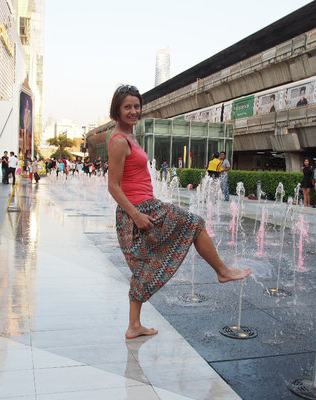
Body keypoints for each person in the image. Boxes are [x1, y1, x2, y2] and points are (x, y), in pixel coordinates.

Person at [107, 84, 250, 339]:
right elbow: (113, 187)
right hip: (137, 211)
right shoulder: (118, 141)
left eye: (136, 106)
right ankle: (222, 271)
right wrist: (137, 215)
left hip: (145, 207)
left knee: (143, 265)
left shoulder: (130, 136)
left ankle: (134, 325)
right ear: (116, 110)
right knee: (194, 223)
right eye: (127, 107)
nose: (133, 111)